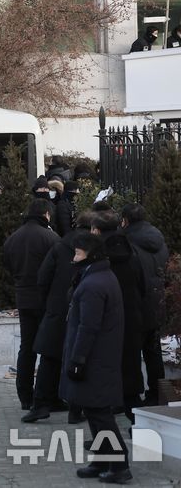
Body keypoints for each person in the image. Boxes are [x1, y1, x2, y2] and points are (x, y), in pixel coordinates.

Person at [60, 232, 131, 483]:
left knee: (100, 412)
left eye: (78, 253)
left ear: (91, 255)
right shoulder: (97, 277)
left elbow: (88, 327)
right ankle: (101, 460)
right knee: (93, 410)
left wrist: (78, 359)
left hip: (94, 359)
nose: (74, 257)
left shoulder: (94, 284)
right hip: (98, 357)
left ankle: (120, 465)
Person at [33, 212, 94, 423]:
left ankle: (41, 404)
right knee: (80, 358)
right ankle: (75, 409)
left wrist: (48, 302)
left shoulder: (60, 245)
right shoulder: (95, 249)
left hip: (57, 309)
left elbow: (43, 277)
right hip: (83, 310)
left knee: (49, 358)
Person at [2, 199, 60, 416]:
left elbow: (8, 265)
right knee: (47, 348)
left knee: (26, 348)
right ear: (46, 214)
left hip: (23, 297)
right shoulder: (51, 238)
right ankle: (46, 396)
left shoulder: (13, 238)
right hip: (45, 299)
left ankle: (24, 396)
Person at [92, 210, 146, 423]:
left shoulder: (96, 255)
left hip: (104, 322)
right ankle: (137, 423)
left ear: (96, 230)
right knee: (130, 372)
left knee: (102, 377)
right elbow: (142, 285)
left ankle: (104, 435)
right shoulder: (131, 251)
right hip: (131, 319)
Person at [121, 203, 169, 405]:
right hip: (157, 302)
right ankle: (156, 393)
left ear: (125, 220)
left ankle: (134, 397)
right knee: (153, 351)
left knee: (131, 355)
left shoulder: (127, 242)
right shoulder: (158, 238)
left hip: (136, 305)